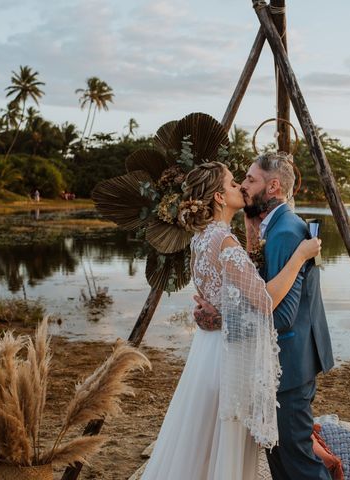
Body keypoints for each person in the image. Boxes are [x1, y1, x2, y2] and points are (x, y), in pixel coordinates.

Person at [136, 161, 321, 480]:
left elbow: (225, 294)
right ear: (219, 197)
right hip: (227, 361)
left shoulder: (201, 238)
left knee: (202, 443)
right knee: (224, 446)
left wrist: (218, 313)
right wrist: (301, 256)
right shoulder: (224, 242)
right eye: (234, 183)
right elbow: (265, 302)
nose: (241, 187)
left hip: (206, 353)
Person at [194, 152, 335, 480]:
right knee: (279, 459)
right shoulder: (267, 226)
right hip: (275, 364)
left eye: (250, 180)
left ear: (273, 187)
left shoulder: (286, 231)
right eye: (240, 180)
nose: (243, 186)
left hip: (290, 363)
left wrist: (220, 320)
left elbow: (282, 316)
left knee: (298, 459)